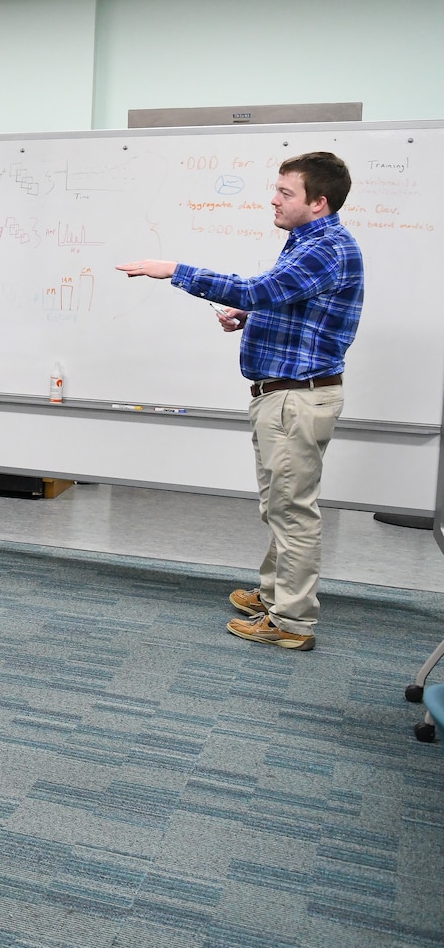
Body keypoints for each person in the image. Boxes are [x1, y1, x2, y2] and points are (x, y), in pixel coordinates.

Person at [117, 151, 362, 652]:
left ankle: (292, 621)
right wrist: (250, 318)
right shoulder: (305, 241)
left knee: (292, 510)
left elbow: (260, 288)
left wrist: (176, 270)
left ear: (319, 203)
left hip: (298, 399)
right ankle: (273, 595)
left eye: (286, 192)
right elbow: (288, 305)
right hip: (286, 396)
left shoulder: (327, 248)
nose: (273, 199)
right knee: (280, 505)